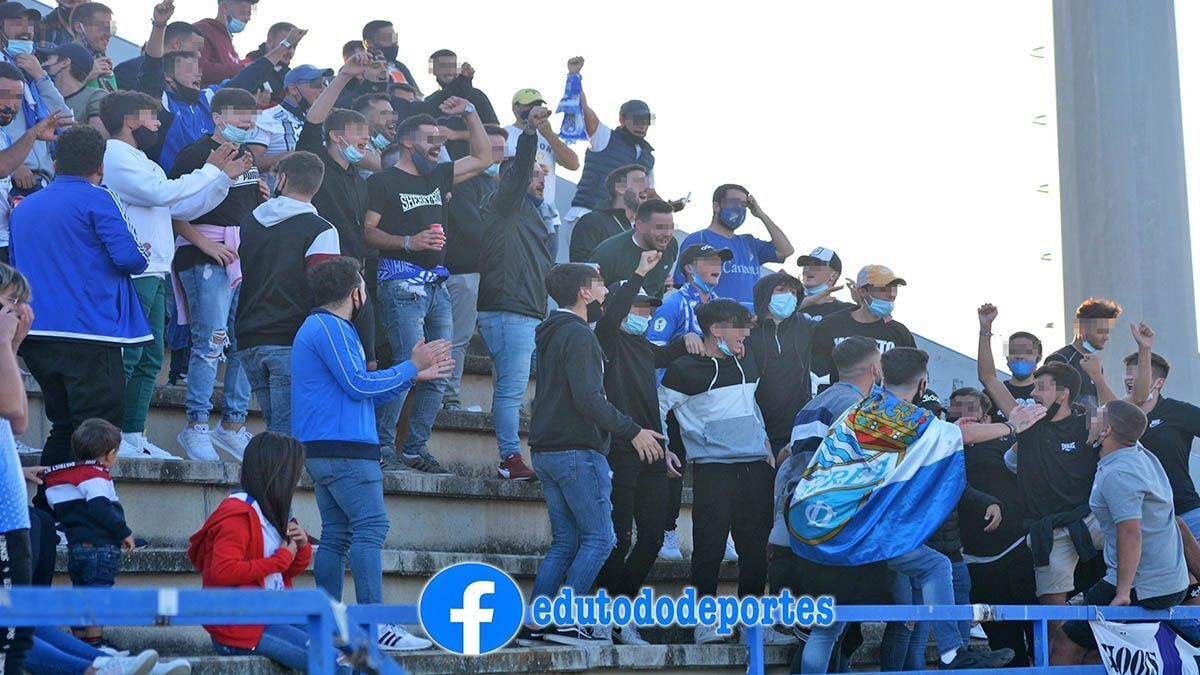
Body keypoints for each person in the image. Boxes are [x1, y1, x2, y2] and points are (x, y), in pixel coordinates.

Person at [292, 257, 451, 652]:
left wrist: (410, 373)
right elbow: (359, 384)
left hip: (330, 447)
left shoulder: (328, 327)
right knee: (369, 528)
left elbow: (362, 389)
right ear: (357, 292)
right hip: (344, 449)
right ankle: (372, 625)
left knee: (338, 534)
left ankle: (331, 626)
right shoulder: (328, 326)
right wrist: (409, 367)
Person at [977, 305, 1152, 647]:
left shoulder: (1089, 422)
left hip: (1091, 520)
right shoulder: (1025, 420)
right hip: (1049, 530)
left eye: (1041, 387)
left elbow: (1135, 403)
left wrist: (1144, 351)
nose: (1033, 394)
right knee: (1055, 622)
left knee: (1152, 537)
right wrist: (985, 329)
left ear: (1063, 393)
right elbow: (988, 378)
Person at [518, 263, 663, 647]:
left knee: (566, 541)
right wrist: (632, 430)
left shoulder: (552, 332)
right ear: (584, 291)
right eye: (599, 283)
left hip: (547, 450)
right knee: (600, 538)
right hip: (576, 450)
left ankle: (538, 621)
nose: (603, 291)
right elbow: (589, 399)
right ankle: (565, 620)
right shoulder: (579, 335)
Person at [100, 90, 247, 459]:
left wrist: (221, 180)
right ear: (131, 120)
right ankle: (111, 435)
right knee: (131, 355)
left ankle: (133, 436)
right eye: (152, 118)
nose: (157, 125)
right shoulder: (114, 154)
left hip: (155, 268)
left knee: (150, 357)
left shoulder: (140, 158)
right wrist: (211, 170)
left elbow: (182, 205)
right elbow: (162, 193)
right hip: (134, 270)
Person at [11, 126, 149, 487]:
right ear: (100, 165)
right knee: (98, 432)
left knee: (65, 427)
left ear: (55, 162)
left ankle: (51, 510)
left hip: (37, 332)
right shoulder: (98, 197)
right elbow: (132, 259)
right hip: (89, 332)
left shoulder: (25, 208)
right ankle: (86, 519)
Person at [364, 96, 491, 472]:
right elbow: (366, 232)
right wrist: (408, 242)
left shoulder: (438, 175)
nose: (438, 145)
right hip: (401, 283)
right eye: (430, 139)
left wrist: (469, 112)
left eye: (440, 139)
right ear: (407, 143)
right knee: (408, 367)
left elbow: (485, 157)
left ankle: (415, 448)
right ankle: (382, 449)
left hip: (437, 286)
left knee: (440, 372)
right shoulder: (384, 181)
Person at [658, 299, 774, 645]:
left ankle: (752, 624)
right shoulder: (684, 368)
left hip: (754, 467)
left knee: (754, 550)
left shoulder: (747, 358)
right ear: (716, 330)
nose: (747, 335)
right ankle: (704, 622)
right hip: (713, 471)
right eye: (741, 328)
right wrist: (664, 447)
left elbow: (751, 403)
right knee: (708, 548)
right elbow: (658, 408)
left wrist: (765, 442)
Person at [592, 252, 689, 646]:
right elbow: (611, 313)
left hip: (653, 452)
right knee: (618, 539)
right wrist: (638, 272)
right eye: (637, 306)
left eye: (648, 308)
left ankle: (620, 614)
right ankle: (601, 618)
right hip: (618, 450)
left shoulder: (647, 349)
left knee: (651, 537)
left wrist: (688, 339)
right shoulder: (607, 339)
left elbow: (674, 354)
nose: (644, 313)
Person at [1055, 400, 1195, 664]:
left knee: (1066, 641)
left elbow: (1130, 533)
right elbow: (1131, 421)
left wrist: (1122, 592)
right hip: (1169, 579)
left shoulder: (1119, 473)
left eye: (1094, 420)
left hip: (1143, 585)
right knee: (1096, 650)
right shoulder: (1140, 452)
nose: (1088, 424)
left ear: (1106, 431)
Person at [774, 336, 881, 672]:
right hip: (834, 517)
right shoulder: (857, 406)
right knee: (829, 626)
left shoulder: (814, 402)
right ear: (875, 367)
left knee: (833, 627)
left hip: (801, 510)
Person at [168, 87, 263, 462]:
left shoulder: (249, 155)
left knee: (244, 341)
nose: (246, 122)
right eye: (239, 114)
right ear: (217, 117)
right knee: (210, 342)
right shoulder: (194, 154)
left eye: (252, 116)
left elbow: (243, 203)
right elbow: (171, 206)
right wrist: (205, 246)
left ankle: (233, 425)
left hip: (242, 255)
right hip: (204, 253)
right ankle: (196, 426)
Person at [187, 432, 321, 672]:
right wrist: (280, 559)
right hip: (241, 626)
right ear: (277, 472)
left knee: (349, 651)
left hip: (275, 614)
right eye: (295, 470)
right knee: (330, 661)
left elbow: (286, 572)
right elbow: (223, 571)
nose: (299, 477)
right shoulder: (238, 514)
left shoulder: (273, 510)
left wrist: (300, 548)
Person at [476, 105, 556, 480]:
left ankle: (511, 456)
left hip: (520, 311)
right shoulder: (505, 204)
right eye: (534, 174)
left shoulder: (530, 213)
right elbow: (519, 169)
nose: (539, 179)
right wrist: (529, 133)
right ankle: (510, 458)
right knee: (510, 393)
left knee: (509, 391)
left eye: (542, 173)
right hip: (510, 311)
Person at [236, 151, 340, 434]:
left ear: (281, 179)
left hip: (249, 336)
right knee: (288, 437)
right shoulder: (322, 230)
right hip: (292, 340)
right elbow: (329, 296)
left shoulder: (250, 221)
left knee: (276, 431)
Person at [138, 0, 297, 171]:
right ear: (168, 76)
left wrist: (285, 46)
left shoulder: (207, 98)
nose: (199, 73)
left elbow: (248, 77)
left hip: (213, 190)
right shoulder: (161, 104)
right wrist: (159, 25)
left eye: (199, 68)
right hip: (172, 190)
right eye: (191, 69)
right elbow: (152, 67)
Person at [646, 242, 729, 561]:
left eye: (719, 260)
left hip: (713, 403)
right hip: (676, 403)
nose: (716, 265)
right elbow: (650, 352)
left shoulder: (724, 306)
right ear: (688, 269)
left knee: (722, 470)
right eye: (707, 260)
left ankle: (725, 534)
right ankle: (667, 533)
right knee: (674, 468)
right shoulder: (674, 302)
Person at [953, 387, 1037, 666]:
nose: (964, 416)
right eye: (956, 409)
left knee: (1037, 634)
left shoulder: (1007, 445)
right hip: (971, 559)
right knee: (1004, 645)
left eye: (971, 410)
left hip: (1016, 551)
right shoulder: (941, 449)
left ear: (988, 419)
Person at [44, 418, 135, 648]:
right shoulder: (95, 476)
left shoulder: (64, 478)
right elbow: (100, 507)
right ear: (110, 454)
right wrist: (124, 531)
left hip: (77, 546)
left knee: (80, 593)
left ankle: (80, 642)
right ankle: (95, 644)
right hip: (101, 547)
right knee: (98, 595)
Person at [439, 124, 506, 413]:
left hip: (489, 275)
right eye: (491, 148)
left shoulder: (499, 185)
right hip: (462, 272)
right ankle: (447, 396)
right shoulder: (461, 182)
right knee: (457, 338)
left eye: (501, 149)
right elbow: (472, 228)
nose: (497, 155)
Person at [566, 57, 655, 228]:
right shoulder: (605, 136)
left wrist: (669, 206)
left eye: (646, 121)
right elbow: (583, 109)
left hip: (621, 221)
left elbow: (648, 192)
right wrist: (574, 76)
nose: (642, 125)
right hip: (589, 212)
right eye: (636, 120)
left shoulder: (647, 156)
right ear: (621, 119)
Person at [673, 185, 794, 308]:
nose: (739, 209)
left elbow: (786, 250)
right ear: (716, 206)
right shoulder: (699, 239)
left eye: (743, 205)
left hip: (747, 321)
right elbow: (681, 284)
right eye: (734, 203)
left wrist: (761, 214)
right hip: (713, 321)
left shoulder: (749, 243)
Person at [0, 65, 72, 263]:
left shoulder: (4, 136)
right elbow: (3, 167)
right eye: (3, 95)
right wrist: (33, 133)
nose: (10, 105)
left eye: (17, 97)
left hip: (6, 241)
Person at [1123, 350, 1200, 535]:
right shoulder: (1118, 416)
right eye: (1128, 374)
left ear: (1159, 382)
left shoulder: (1178, 411)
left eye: (1139, 374)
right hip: (1139, 519)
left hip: (1184, 511)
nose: (1130, 379)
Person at [0, 6, 71, 203]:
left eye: (29, 24)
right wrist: (14, 165)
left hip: (42, 180)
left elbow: (66, 121)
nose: (26, 29)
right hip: (12, 176)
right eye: (16, 22)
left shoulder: (34, 74)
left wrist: (41, 76)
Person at [0, 263, 33, 674]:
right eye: (9, 302)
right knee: (9, 641)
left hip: (11, 516)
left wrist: (12, 345)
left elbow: (17, 419)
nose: (16, 312)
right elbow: (13, 409)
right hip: (3, 520)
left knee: (17, 637)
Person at [810, 265, 916, 389]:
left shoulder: (899, 332)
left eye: (894, 288)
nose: (891, 295)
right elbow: (814, 371)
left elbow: (913, 377)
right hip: (840, 404)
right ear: (862, 291)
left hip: (883, 407)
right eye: (883, 289)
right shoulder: (830, 326)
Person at [748, 272, 817, 456]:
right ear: (765, 295)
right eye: (781, 290)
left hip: (796, 430)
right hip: (757, 431)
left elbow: (841, 324)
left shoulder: (806, 326)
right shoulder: (746, 330)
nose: (789, 296)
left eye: (794, 292)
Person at [1046, 297, 1122, 419]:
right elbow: (1052, 404)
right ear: (1081, 329)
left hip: (1090, 432)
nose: (1106, 337)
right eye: (1101, 331)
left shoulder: (1094, 363)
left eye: (1107, 332)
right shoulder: (1060, 359)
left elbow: (1102, 405)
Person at [505, 87, 579, 209]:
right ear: (515, 108)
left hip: (547, 211)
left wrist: (549, 135)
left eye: (538, 104)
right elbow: (494, 171)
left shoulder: (548, 134)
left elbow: (573, 164)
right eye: (529, 105)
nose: (535, 109)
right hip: (516, 208)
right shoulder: (503, 135)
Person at [588, 198, 678, 298]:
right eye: (660, 227)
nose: (668, 233)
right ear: (640, 226)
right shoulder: (608, 254)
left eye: (671, 227)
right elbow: (589, 298)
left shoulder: (671, 246)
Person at [248, 64, 331, 171]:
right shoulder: (265, 118)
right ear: (293, 89)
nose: (324, 89)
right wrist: (299, 153)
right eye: (317, 84)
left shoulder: (323, 119)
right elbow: (251, 163)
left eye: (326, 83)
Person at [568, 164, 647, 263]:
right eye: (639, 181)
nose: (646, 187)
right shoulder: (592, 222)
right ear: (620, 188)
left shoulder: (644, 230)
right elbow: (582, 268)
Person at [113, 21, 203, 92]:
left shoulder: (185, 81)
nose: (199, 55)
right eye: (197, 48)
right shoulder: (130, 70)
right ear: (176, 44)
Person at [423, 49, 498, 124]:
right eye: (444, 66)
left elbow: (495, 130)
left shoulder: (477, 96)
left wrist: (455, 134)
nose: (450, 70)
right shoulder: (430, 101)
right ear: (433, 70)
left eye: (453, 66)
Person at [42, 43, 105, 131]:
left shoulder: (95, 96)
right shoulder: (42, 94)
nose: (43, 64)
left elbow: (98, 137)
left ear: (65, 62)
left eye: (49, 59)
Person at [192, 0, 255, 87]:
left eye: (250, 13)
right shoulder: (202, 30)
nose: (248, 18)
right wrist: (241, 69)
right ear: (224, 7)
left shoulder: (227, 38)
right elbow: (195, 67)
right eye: (243, 12)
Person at [991, 329, 1043, 423]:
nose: (1020, 356)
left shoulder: (1047, 393)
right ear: (1007, 356)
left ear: (1039, 358)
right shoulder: (992, 392)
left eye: (1027, 352)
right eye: (1014, 351)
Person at [241, 21, 296, 105]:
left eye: (294, 46)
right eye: (286, 45)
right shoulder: (245, 67)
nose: (291, 51)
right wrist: (253, 104)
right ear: (269, 43)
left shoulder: (291, 79)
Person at [360, 20, 421, 94]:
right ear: (369, 43)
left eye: (395, 38)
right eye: (388, 38)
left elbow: (418, 95)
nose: (394, 42)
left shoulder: (400, 66)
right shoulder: (360, 67)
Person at [795, 247, 855, 320]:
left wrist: (863, 302)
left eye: (816, 265)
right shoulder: (786, 301)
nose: (808, 269)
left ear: (833, 276)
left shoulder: (845, 311)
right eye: (806, 264)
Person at [68, 3, 115, 91]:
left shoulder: (105, 64)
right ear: (79, 27)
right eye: (101, 27)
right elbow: (53, 99)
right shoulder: (63, 59)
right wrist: (88, 76)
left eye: (111, 28)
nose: (108, 34)